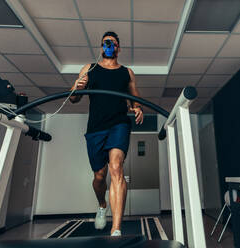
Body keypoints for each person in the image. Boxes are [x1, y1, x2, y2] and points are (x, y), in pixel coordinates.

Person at [69, 31, 143, 236]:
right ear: (101, 47)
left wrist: (136, 107)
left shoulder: (127, 72)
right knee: (99, 176)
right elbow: (73, 99)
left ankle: (116, 229)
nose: (109, 46)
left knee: (116, 168)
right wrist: (76, 87)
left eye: (113, 43)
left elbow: (134, 95)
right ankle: (102, 205)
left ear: (118, 48)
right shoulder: (90, 68)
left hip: (119, 124)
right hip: (96, 128)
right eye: (105, 43)